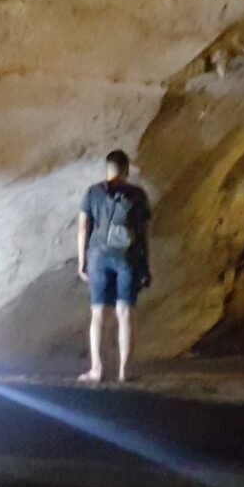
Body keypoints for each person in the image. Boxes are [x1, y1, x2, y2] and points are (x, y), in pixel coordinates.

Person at [75, 150, 151, 384]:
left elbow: (83, 229)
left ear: (107, 169)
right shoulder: (137, 195)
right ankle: (124, 370)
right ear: (127, 170)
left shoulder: (93, 193)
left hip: (98, 256)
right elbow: (144, 232)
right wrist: (145, 263)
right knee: (125, 313)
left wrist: (82, 261)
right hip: (127, 257)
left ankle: (97, 369)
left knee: (99, 313)